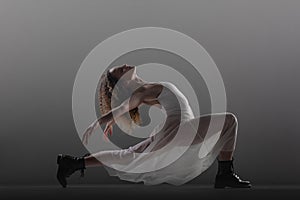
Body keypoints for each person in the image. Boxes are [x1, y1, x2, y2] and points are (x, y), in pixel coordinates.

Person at [56, 64, 251, 189]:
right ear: (122, 83)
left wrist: (113, 119)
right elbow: (125, 106)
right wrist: (101, 121)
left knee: (128, 156)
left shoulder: (145, 91)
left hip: (175, 130)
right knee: (229, 121)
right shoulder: (142, 92)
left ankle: (73, 162)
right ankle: (225, 174)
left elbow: (128, 105)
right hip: (180, 129)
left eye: (121, 67)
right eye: (120, 71)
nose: (125, 66)